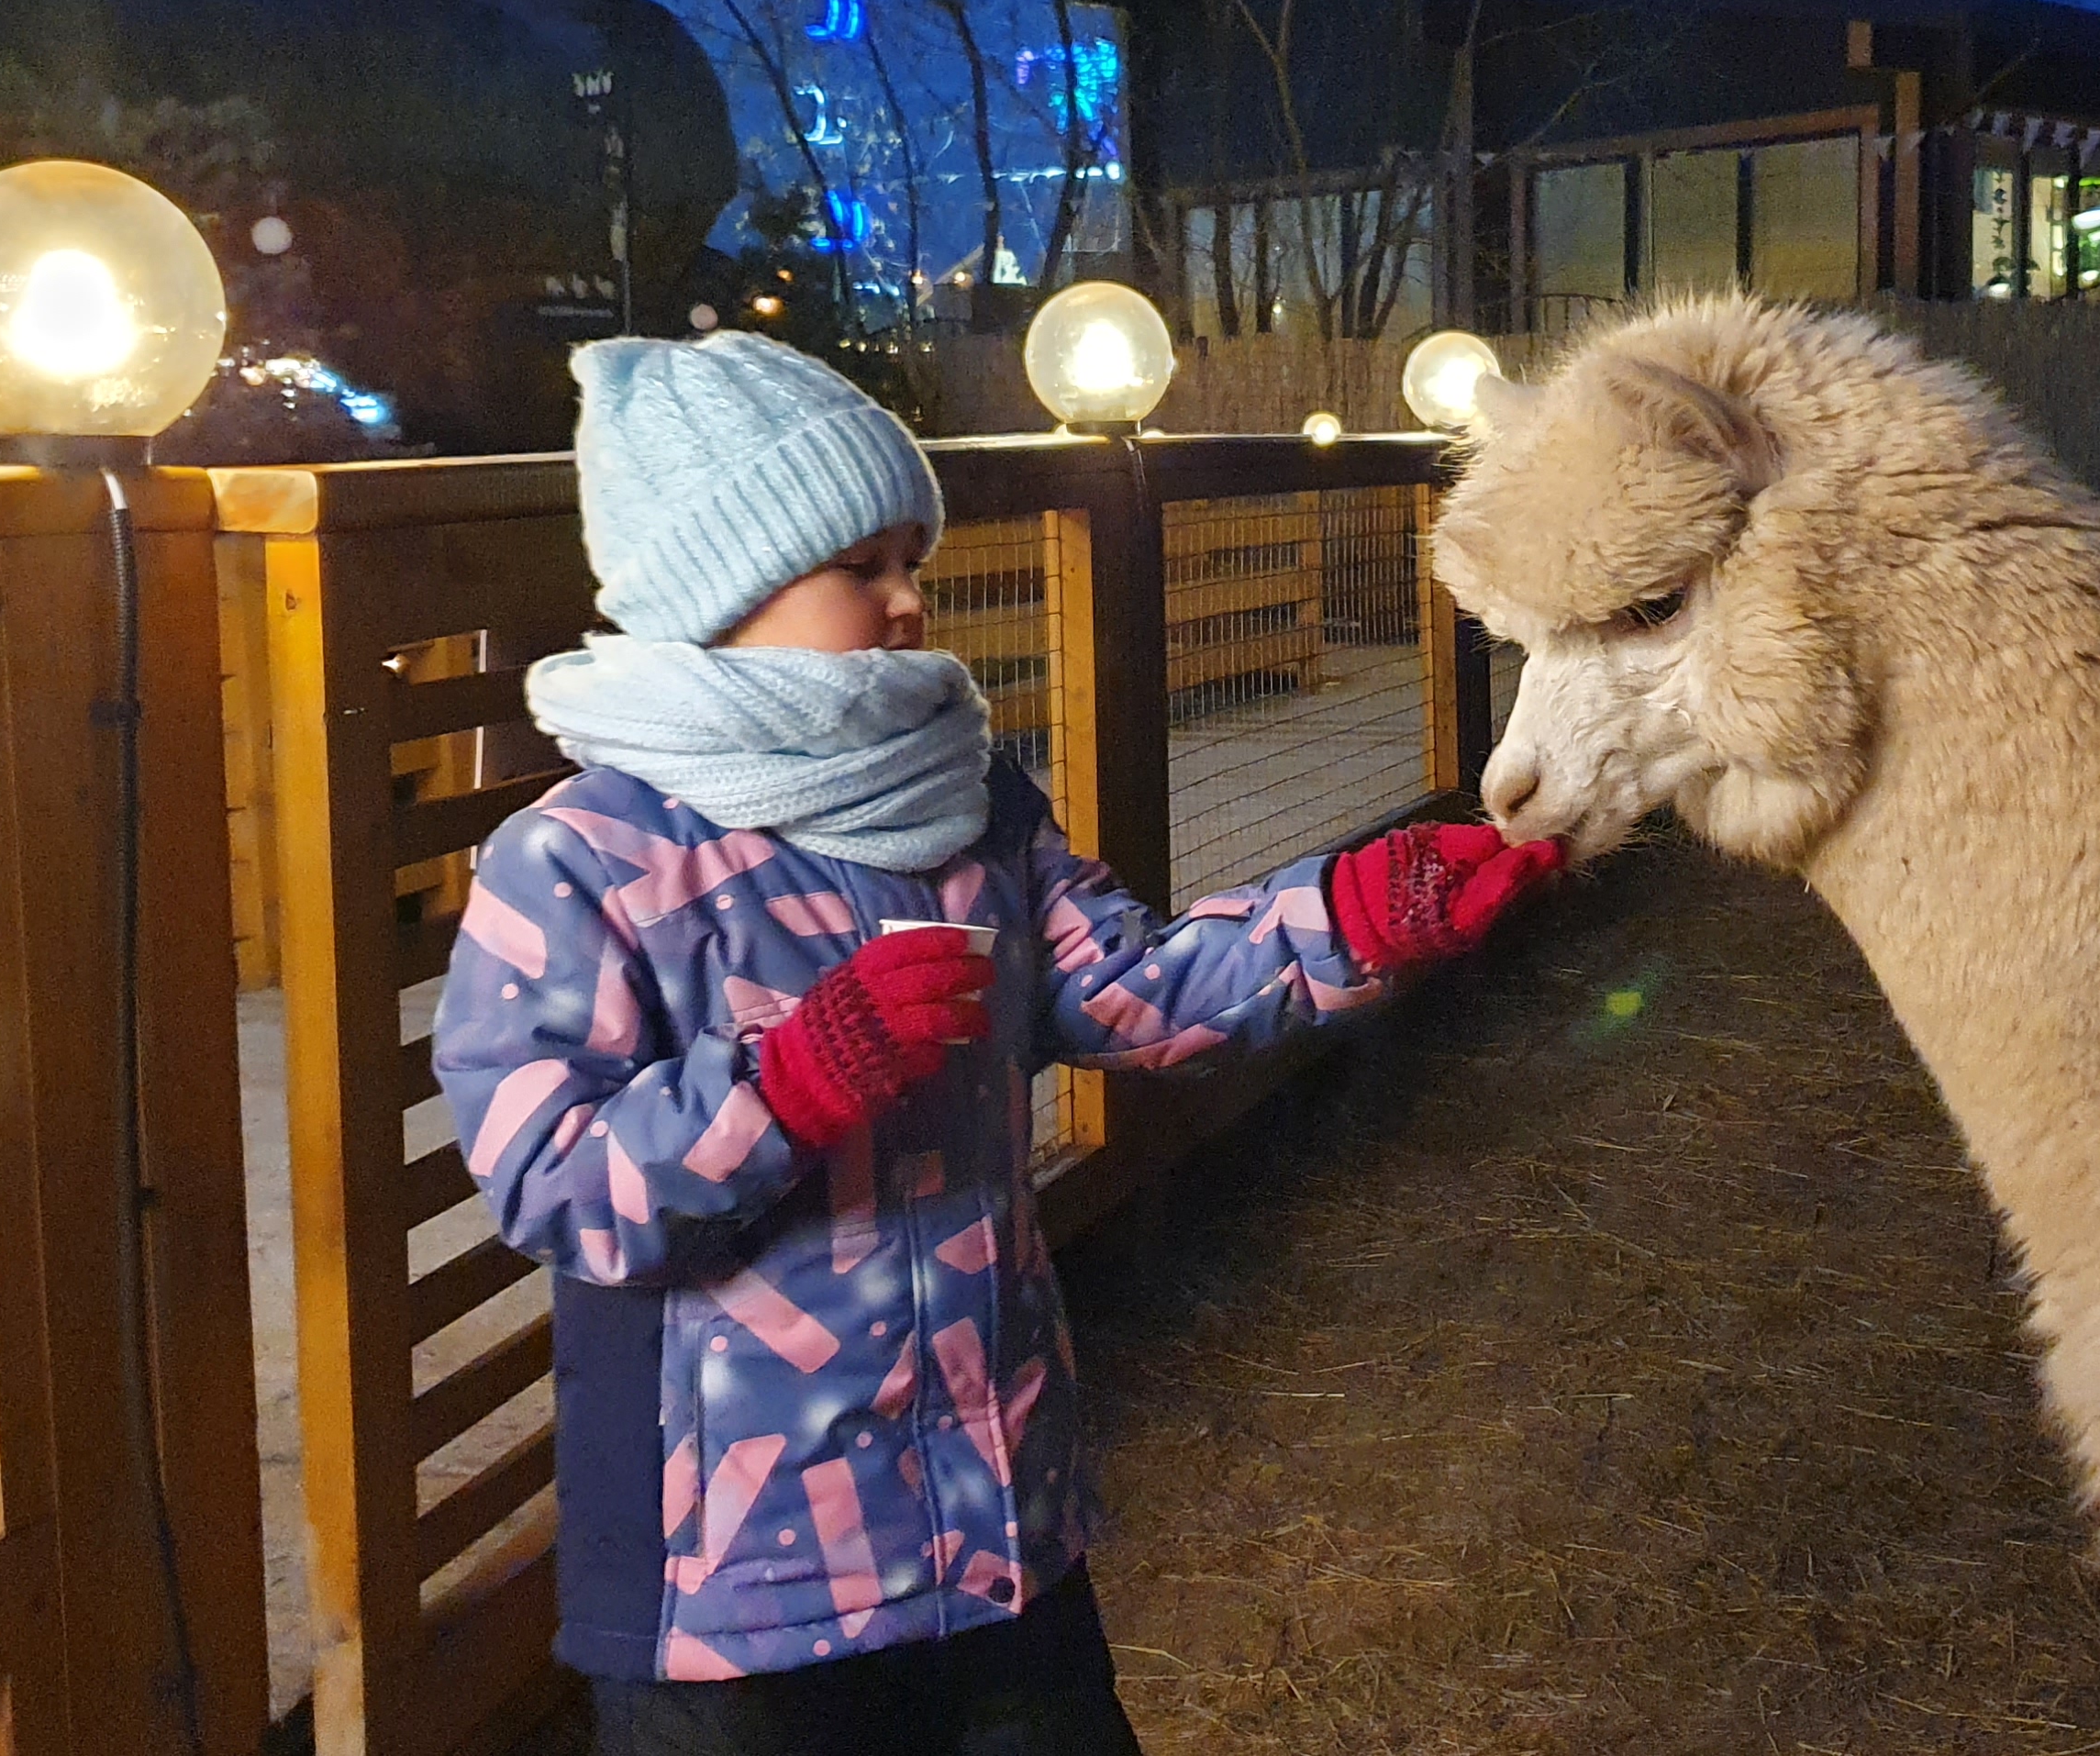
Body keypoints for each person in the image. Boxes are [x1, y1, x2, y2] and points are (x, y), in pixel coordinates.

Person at [431, 332, 1562, 1754]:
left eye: (915, 557)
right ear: (724, 581)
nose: (914, 599)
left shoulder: (964, 794)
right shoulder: (583, 859)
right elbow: (553, 1183)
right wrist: (783, 1086)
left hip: (989, 1532)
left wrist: (1355, 916)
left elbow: (1127, 991)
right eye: (867, 565)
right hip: (737, 1602)